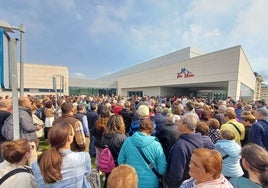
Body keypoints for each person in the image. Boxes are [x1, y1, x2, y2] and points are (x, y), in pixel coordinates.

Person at [32, 121, 91, 187]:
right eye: (73, 133)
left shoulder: (36, 164)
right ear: (70, 138)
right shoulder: (83, 158)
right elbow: (86, 177)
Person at [118, 118, 167, 188]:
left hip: (130, 181)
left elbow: (120, 162)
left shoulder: (128, 141)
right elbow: (162, 170)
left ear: (139, 128)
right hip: (151, 183)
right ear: (152, 130)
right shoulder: (156, 145)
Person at [164, 113, 203, 187]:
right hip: (191, 180)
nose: (177, 123)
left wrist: (169, 183)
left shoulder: (181, 145)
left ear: (185, 126)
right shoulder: (198, 139)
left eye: (179, 122)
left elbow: (176, 173)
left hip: (181, 183)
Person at [101, 115, 127, 187]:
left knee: (108, 179)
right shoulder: (122, 137)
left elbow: (102, 145)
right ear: (120, 124)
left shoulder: (104, 134)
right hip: (117, 164)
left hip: (108, 162)